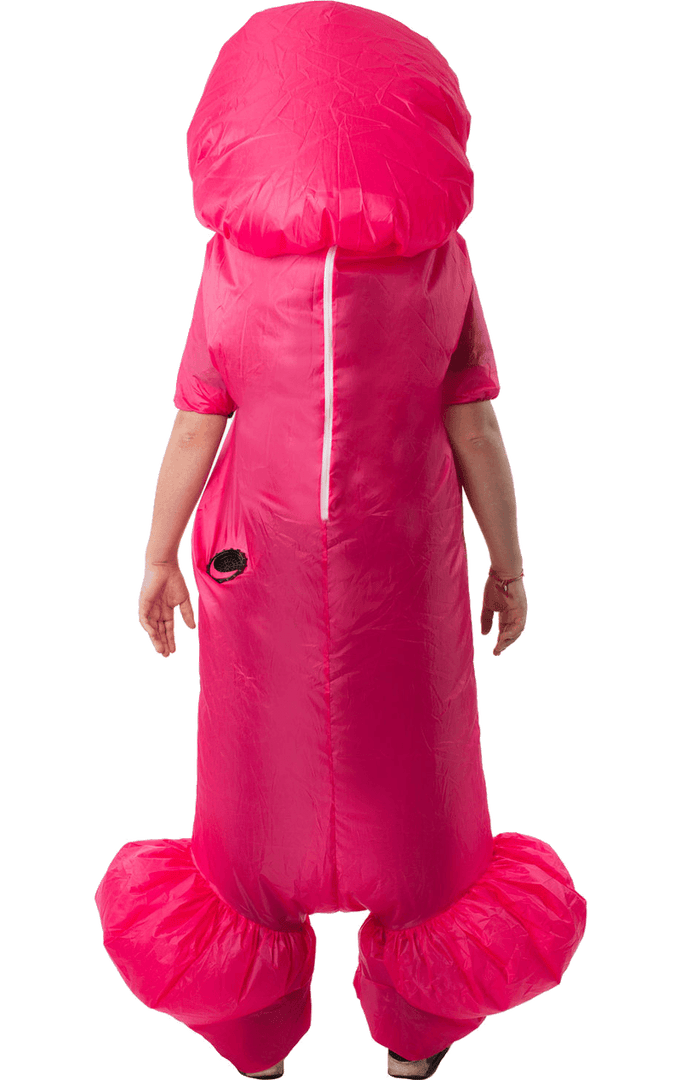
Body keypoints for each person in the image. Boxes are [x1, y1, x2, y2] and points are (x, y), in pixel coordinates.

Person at [95, 6, 587, 1079]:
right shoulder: (438, 265)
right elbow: (476, 430)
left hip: (258, 573)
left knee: (251, 804)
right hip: (399, 575)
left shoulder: (233, 265)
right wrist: (509, 563)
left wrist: (156, 556)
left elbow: (197, 420)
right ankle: (416, 1042)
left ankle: (252, 1039)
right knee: (423, 809)